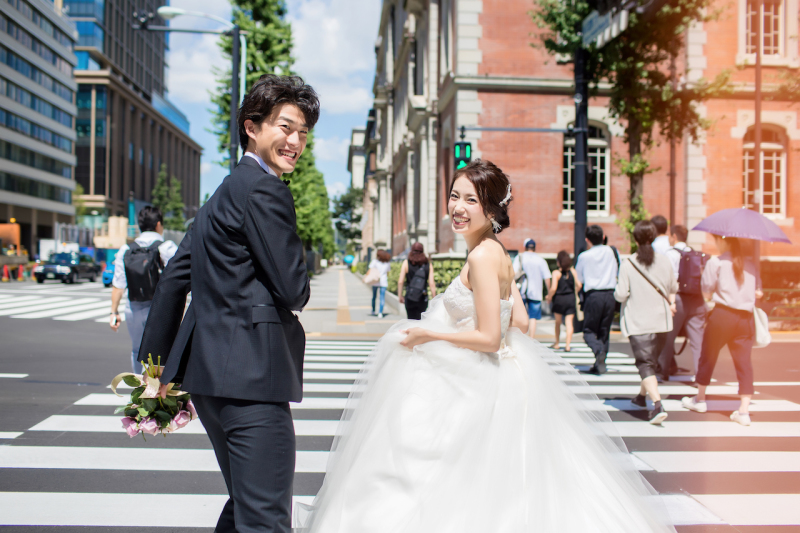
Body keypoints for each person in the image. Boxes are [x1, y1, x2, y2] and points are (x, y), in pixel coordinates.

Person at [296, 159, 676, 533]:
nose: (458, 208)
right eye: (454, 196)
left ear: (492, 208)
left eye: (471, 201)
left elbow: (491, 338)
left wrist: (429, 334)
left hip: (477, 378)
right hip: (499, 377)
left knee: (434, 474)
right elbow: (522, 323)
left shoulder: (480, 256)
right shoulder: (498, 251)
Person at [138, 74, 317, 532]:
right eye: (285, 126)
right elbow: (295, 289)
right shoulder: (266, 190)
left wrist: (154, 368)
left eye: (302, 132)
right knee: (266, 518)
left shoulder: (220, 194)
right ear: (251, 126)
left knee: (245, 507)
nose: (295, 141)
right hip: (252, 381)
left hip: (211, 382)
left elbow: (175, 278)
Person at [682, 235, 762, 426]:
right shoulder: (751, 265)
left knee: (708, 355)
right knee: (744, 362)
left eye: (717, 239)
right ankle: (744, 410)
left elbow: (707, 290)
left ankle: (700, 398)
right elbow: (758, 292)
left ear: (724, 242)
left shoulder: (716, 262)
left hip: (722, 315)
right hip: (745, 317)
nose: (716, 243)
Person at [614, 221, 678, 425]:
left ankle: (657, 404)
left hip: (639, 322)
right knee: (649, 364)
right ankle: (640, 398)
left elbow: (621, 295)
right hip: (661, 321)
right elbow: (672, 287)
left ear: (635, 238)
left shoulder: (628, 263)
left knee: (645, 365)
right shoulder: (665, 261)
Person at [109, 206, 177, 374]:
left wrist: (114, 312)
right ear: (158, 224)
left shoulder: (126, 250)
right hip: (158, 309)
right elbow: (179, 278)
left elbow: (118, 284)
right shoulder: (166, 247)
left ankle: (140, 392)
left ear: (140, 226)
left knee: (137, 351)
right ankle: (158, 394)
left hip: (133, 307)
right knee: (162, 354)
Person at [658, 224, 707, 380]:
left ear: (674, 236)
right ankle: (701, 374)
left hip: (678, 298)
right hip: (697, 299)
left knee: (668, 337)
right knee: (697, 341)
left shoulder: (670, 253)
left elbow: (667, 278)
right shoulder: (694, 253)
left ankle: (664, 370)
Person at [575, 225, 619, 374]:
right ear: (603, 236)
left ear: (587, 240)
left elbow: (579, 279)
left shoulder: (584, 256)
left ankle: (598, 351)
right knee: (604, 331)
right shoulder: (612, 251)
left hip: (593, 295)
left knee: (588, 330)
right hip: (610, 294)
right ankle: (600, 363)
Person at [512, 238, 551, 338]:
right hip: (536, 292)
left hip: (522, 291)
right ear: (534, 248)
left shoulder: (520, 258)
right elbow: (547, 278)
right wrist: (549, 293)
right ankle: (531, 338)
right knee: (533, 317)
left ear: (525, 247)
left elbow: (514, 273)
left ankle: (520, 337)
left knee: (519, 315)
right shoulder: (540, 260)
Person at [545, 250, 581, 351]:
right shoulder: (573, 272)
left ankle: (557, 343)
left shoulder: (556, 273)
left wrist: (549, 297)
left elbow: (553, 288)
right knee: (569, 322)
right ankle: (568, 345)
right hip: (570, 298)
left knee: (558, 322)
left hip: (559, 299)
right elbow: (579, 285)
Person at [397, 242, 437, 320]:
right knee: (420, 321)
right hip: (422, 297)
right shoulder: (428, 264)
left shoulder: (406, 263)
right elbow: (431, 283)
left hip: (410, 297)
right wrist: (434, 297)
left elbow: (400, 281)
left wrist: (400, 296)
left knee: (410, 320)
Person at [368, 250, 392, 318]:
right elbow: (388, 273)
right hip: (383, 282)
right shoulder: (387, 263)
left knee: (374, 297)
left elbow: (370, 270)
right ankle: (380, 313)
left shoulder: (375, 262)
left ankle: (373, 310)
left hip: (375, 281)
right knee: (382, 298)